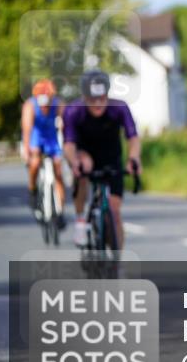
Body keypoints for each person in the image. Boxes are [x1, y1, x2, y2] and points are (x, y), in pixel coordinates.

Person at [62, 70, 142, 249]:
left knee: (115, 212)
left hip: (111, 157)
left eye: (102, 98)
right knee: (84, 167)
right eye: (93, 99)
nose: (98, 103)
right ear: (85, 97)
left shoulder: (119, 108)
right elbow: (69, 144)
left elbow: (133, 138)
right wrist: (74, 161)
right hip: (84, 154)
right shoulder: (74, 111)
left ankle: (116, 258)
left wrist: (134, 158)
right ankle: (81, 222)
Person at [20, 79, 66, 223]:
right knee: (34, 162)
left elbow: (67, 123)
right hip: (36, 137)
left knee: (58, 172)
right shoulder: (30, 105)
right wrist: (27, 150)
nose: (44, 106)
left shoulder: (58, 104)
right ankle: (32, 190)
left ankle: (60, 211)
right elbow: (27, 129)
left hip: (51, 138)